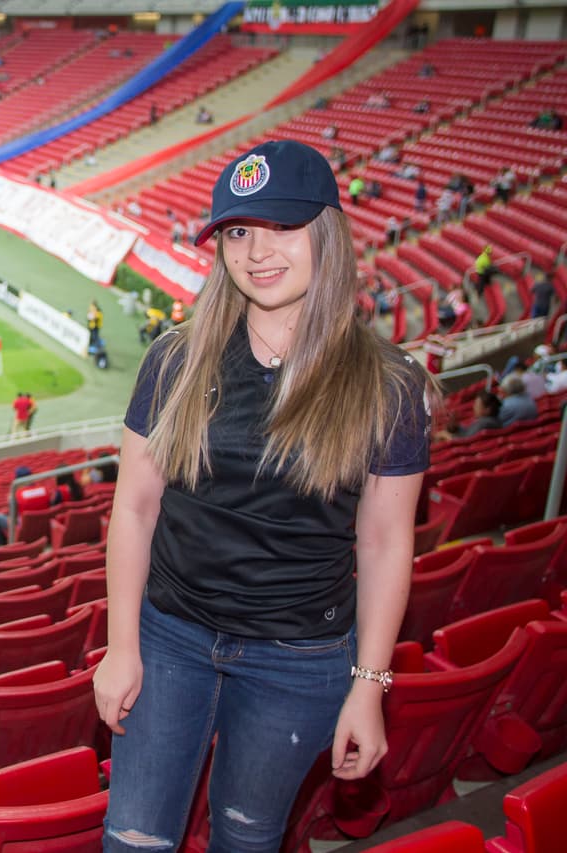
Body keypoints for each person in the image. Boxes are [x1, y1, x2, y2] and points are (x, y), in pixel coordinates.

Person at [95, 139, 430, 852]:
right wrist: (122, 644)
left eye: (283, 226)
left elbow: (384, 540)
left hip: (300, 656)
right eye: (239, 231)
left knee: (249, 839)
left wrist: (369, 686)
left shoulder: (389, 384)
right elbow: (135, 507)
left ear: (328, 233)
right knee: (132, 840)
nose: (256, 251)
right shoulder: (176, 360)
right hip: (171, 637)